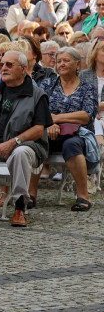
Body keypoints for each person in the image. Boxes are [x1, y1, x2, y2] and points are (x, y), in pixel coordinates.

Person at [0, 50, 52, 227]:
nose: (3, 68)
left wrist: (13, 142)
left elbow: (38, 130)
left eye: (9, 65)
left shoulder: (37, 94)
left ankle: (20, 206)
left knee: (20, 153)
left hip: (26, 145)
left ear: (23, 69)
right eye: (1, 65)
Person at [37, 47, 97, 212]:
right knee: (35, 140)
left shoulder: (88, 88)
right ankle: (30, 194)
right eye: (59, 61)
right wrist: (50, 123)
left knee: (71, 144)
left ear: (77, 64)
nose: (61, 64)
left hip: (78, 134)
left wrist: (57, 118)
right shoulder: (48, 84)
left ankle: (83, 195)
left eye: (66, 60)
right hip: (50, 131)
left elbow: (86, 115)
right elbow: (39, 109)